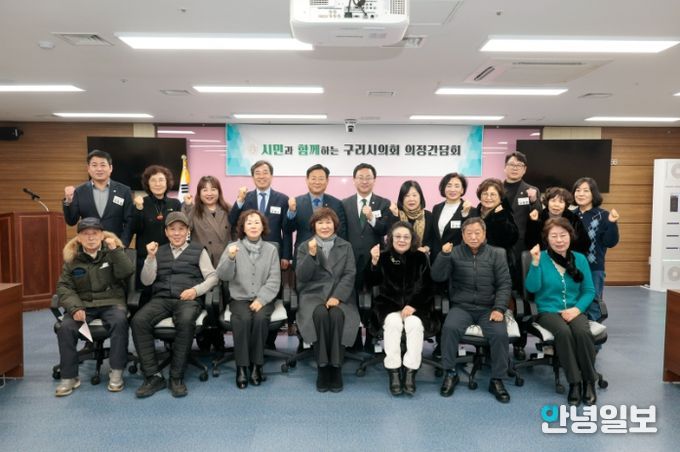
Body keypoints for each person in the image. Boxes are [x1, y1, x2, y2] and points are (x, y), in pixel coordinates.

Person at [131, 212, 218, 398]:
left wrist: (196, 290)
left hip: (188, 299)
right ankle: (153, 376)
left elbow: (213, 277)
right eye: (172, 229)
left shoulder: (198, 250)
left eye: (181, 229)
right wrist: (150, 258)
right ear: (166, 232)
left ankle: (176, 377)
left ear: (188, 231)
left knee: (185, 321)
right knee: (138, 321)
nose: (177, 233)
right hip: (161, 298)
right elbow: (146, 281)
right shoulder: (158, 251)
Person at [432, 217, 512, 403]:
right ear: (463, 235)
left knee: (500, 334)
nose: (473, 237)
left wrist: (499, 308)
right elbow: (437, 276)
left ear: (484, 234)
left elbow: (504, 284)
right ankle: (450, 373)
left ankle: (497, 379)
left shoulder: (496, 254)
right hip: (462, 306)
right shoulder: (454, 253)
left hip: (488, 308)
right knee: (450, 328)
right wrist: (443, 255)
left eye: (477, 233)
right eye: (469, 233)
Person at [55, 217, 134, 396]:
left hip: (111, 302)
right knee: (65, 327)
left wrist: (115, 251)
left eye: (95, 233)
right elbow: (64, 287)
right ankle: (69, 377)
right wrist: (75, 308)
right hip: (83, 304)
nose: (90, 237)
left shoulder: (112, 251)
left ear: (102, 235)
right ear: (78, 238)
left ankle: (116, 372)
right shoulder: (72, 258)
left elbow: (127, 272)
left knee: (120, 321)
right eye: (85, 234)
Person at [525, 218, 598, 406]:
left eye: (563, 235)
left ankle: (589, 381)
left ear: (570, 236)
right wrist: (534, 263)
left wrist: (577, 309)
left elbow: (589, 290)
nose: (559, 240)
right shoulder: (541, 258)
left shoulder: (580, 259)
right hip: (548, 311)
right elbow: (532, 288)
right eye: (554, 236)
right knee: (563, 332)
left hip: (574, 309)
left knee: (582, 332)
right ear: (547, 239)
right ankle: (574, 382)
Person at [365, 222, 437, 396]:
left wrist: (413, 305)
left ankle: (410, 372)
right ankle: (394, 371)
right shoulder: (382, 256)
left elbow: (428, 287)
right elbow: (369, 283)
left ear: (412, 239)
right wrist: (373, 262)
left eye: (406, 237)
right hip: (388, 307)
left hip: (416, 308)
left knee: (414, 325)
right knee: (393, 323)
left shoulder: (420, 257)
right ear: (391, 239)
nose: (402, 240)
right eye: (397, 236)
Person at [296, 208, 360, 393]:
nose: (325, 226)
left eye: (328, 222)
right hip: (313, 295)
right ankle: (323, 367)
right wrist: (311, 256)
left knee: (337, 316)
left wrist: (337, 296)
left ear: (335, 225)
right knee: (321, 314)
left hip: (341, 295)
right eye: (320, 223)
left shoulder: (345, 246)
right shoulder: (304, 246)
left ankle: (336, 367)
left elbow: (349, 274)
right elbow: (302, 276)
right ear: (314, 226)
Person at [216, 210, 281, 389]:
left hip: (264, 298)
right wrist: (230, 258)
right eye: (249, 223)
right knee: (242, 319)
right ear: (243, 228)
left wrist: (262, 299)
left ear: (263, 227)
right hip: (239, 298)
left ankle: (257, 366)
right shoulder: (232, 247)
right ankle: (242, 367)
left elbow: (274, 279)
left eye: (257, 222)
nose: (253, 226)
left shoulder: (271, 250)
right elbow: (223, 275)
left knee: (260, 319)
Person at [341, 163, 397, 351]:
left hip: (375, 259)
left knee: (374, 298)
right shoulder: (345, 203)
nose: (364, 181)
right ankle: (354, 339)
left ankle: (372, 339)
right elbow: (342, 232)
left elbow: (385, 230)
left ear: (374, 180)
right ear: (354, 180)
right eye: (361, 177)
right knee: (352, 299)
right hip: (351, 260)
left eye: (368, 177)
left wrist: (372, 218)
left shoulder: (384, 203)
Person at [572, 177, 620, 321]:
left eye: (585, 191)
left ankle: (593, 334)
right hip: (571, 268)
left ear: (593, 194)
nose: (581, 194)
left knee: (593, 304)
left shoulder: (603, 215)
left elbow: (610, 242)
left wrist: (612, 223)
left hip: (594, 268)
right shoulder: (570, 215)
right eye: (578, 190)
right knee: (572, 302)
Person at [63, 149, 134, 246]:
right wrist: (68, 201)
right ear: (88, 168)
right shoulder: (79, 191)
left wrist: (122, 244)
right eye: (94, 165)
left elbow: (130, 221)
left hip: (115, 246)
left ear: (110, 168)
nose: (99, 169)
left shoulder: (124, 191)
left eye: (103, 165)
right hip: (89, 245)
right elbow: (71, 221)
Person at [228, 160, 292, 267]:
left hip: (273, 251)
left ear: (271, 176)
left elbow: (286, 230)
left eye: (265, 173)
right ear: (253, 177)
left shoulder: (283, 199)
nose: (261, 176)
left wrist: (286, 255)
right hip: (247, 251)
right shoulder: (245, 198)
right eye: (257, 173)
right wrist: (239, 201)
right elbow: (232, 220)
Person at [131, 165, 182, 300]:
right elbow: (135, 228)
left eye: (161, 180)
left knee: (168, 294)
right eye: (153, 180)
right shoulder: (141, 203)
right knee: (145, 296)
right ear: (147, 183)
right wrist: (139, 209)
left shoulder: (175, 203)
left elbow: (181, 230)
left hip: (169, 258)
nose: (157, 184)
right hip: (146, 257)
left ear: (167, 182)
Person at [503, 151, 542, 288]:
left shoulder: (531, 190)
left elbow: (538, 215)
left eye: (519, 165)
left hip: (521, 243)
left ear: (524, 169)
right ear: (505, 167)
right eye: (512, 164)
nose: (515, 168)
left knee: (519, 277)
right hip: (499, 242)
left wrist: (533, 201)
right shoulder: (496, 189)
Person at [182, 175, 232, 266]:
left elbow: (236, 233)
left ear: (219, 192)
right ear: (199, 193)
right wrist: (188, 206)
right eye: (205, 190)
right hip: (202, 261)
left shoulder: (228, 209)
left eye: (213, 189)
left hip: (225, 259)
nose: (209, 193)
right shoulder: (193, 210)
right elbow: (185, 228)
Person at [525, 187, 591, 255]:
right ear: (547, 202)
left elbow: (585, 243)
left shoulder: (573, 219)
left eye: (561, 202)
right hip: (543, 256)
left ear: (565, 204)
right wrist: (534, 222)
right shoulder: (538, 217)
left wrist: (564, 251)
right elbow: (530, 243)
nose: (556, 205)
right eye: (553, 201)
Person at [476, 178, 519, 274]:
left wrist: (500, 218)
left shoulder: (505, 214)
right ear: (480, 196)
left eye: (493, 194)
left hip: (499, 264)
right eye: (485, 194)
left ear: (500, 198)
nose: (488, 197)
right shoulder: (474, 213)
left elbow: (512, 239)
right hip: (477, 263)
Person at [431, 172, 477, 262]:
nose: (452, 189)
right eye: (449, 185)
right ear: (444, 188)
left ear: (462, 190)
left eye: (457, 186)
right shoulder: (436, 208)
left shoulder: (471, 210)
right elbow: (434, 234)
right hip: (437, 257)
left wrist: (465, 214)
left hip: (458, 258)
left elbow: (470, 234)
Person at [395, 180, 436, 257]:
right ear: (402, 198)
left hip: (421, 258)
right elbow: (391, 239)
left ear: (420, 197)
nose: (411, 199)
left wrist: (426, 248)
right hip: (399, 258)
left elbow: (432, 238)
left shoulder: (429, 216)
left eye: (414, 195)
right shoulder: (396, 215)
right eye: (407, 196)